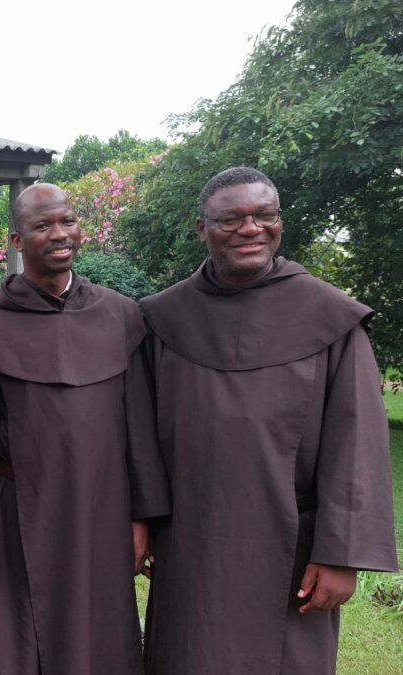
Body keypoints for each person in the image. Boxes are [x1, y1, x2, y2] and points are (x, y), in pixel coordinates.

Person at [140, 166, 398, 674]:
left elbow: (358, 448)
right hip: (190, 543)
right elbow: (140, 435)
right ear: (202, 228)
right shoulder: (162, 320)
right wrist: (143, 521)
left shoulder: (330, 318)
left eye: (265, 215)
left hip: (293, 552)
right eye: (231, 218)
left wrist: (341, 553)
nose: (251, 228)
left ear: (280, 222)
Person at [0, 183, 170, 675]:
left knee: (104, 632)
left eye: (67, 221)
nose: (59, 234)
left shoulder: (120, 315)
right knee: (26, 636)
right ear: (15, 240)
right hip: (22, 514)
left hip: (104, 507)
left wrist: (143, 518)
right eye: (42, 226)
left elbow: (139, 425)